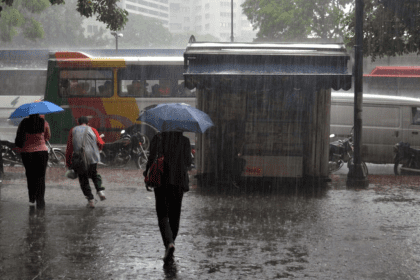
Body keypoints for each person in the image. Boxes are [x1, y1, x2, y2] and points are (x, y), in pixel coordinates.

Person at [143, 131, 192, 265]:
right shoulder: (185, 141)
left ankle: (169, 243)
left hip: (161, 180)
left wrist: (146, 175)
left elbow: (151, 158)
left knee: (162, 214)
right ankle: (170, 245)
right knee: (175, 215)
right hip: (179, 182)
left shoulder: (158, 138)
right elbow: (188, 161)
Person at [66, 116, 106, 208]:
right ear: (88, 123)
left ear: (78, 122)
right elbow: (101, 143)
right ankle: (100, 191)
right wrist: (98, 149)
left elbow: (69, 147)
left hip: (79, 158)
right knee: (94, 174)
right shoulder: (92, 129)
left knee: (83, 178)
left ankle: (91, 200)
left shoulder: (73, 130)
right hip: (93, 156)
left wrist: (68, 162)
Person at [14, 114, 51, 209]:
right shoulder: (44, 123)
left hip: (27, 153)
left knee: (30, 175)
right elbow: (48, 137)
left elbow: (18, 137)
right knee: (41, 177)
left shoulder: (24, 123)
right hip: (41, 153)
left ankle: (32, 198)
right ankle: (40, 200)